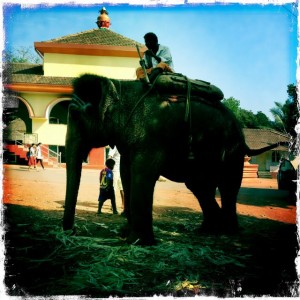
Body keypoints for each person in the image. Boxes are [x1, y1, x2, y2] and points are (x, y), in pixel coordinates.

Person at [108, 146, 125, 215]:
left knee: (121, 188)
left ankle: (123, 204)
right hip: (115, 171)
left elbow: (109, 157)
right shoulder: (114, 146)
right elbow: (109, 157)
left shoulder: (119, 145)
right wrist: (110, 168)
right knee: (116, 188)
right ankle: (113, 205)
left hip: (120, 170)